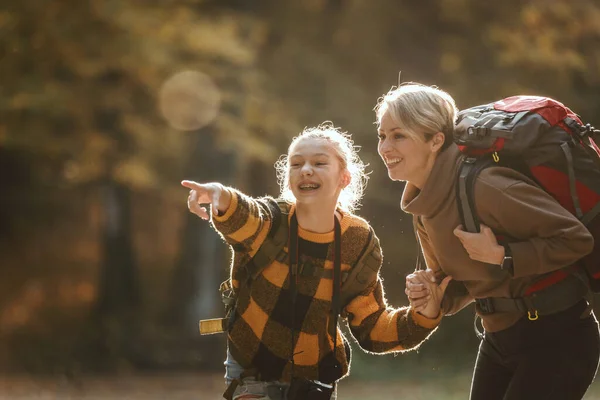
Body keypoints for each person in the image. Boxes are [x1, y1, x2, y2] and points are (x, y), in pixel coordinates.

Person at [182, 122, 446, 400]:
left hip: (315, 380)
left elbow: (372, 326)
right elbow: (243, 215)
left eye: (319, 163)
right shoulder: (272, 219)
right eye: (296, 164)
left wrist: (422, 315)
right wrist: (218, 193)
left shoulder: (356, 239)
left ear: (344, 178)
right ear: (288, 179)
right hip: (251, 369)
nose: (306, 169)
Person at [375, 83, 600, 400]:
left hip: (558, 338)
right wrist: (436, 295)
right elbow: (468, 282)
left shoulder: (485, 186)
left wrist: (503, 255)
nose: (385, 147)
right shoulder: (423, 207)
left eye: (398, 136)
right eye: (382, 136)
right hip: (499, 340)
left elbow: (577, 239)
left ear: (435, 140)